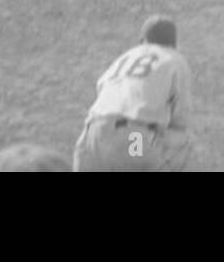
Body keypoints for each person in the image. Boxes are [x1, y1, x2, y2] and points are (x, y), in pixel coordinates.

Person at [72, 15, 194, 172]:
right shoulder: (174, 59)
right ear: (174, 42)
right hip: (133, 138)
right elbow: (181, 118)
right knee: (185, 140)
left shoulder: (124, 57)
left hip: (92, 137)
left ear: (142, 40)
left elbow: (101, 89)